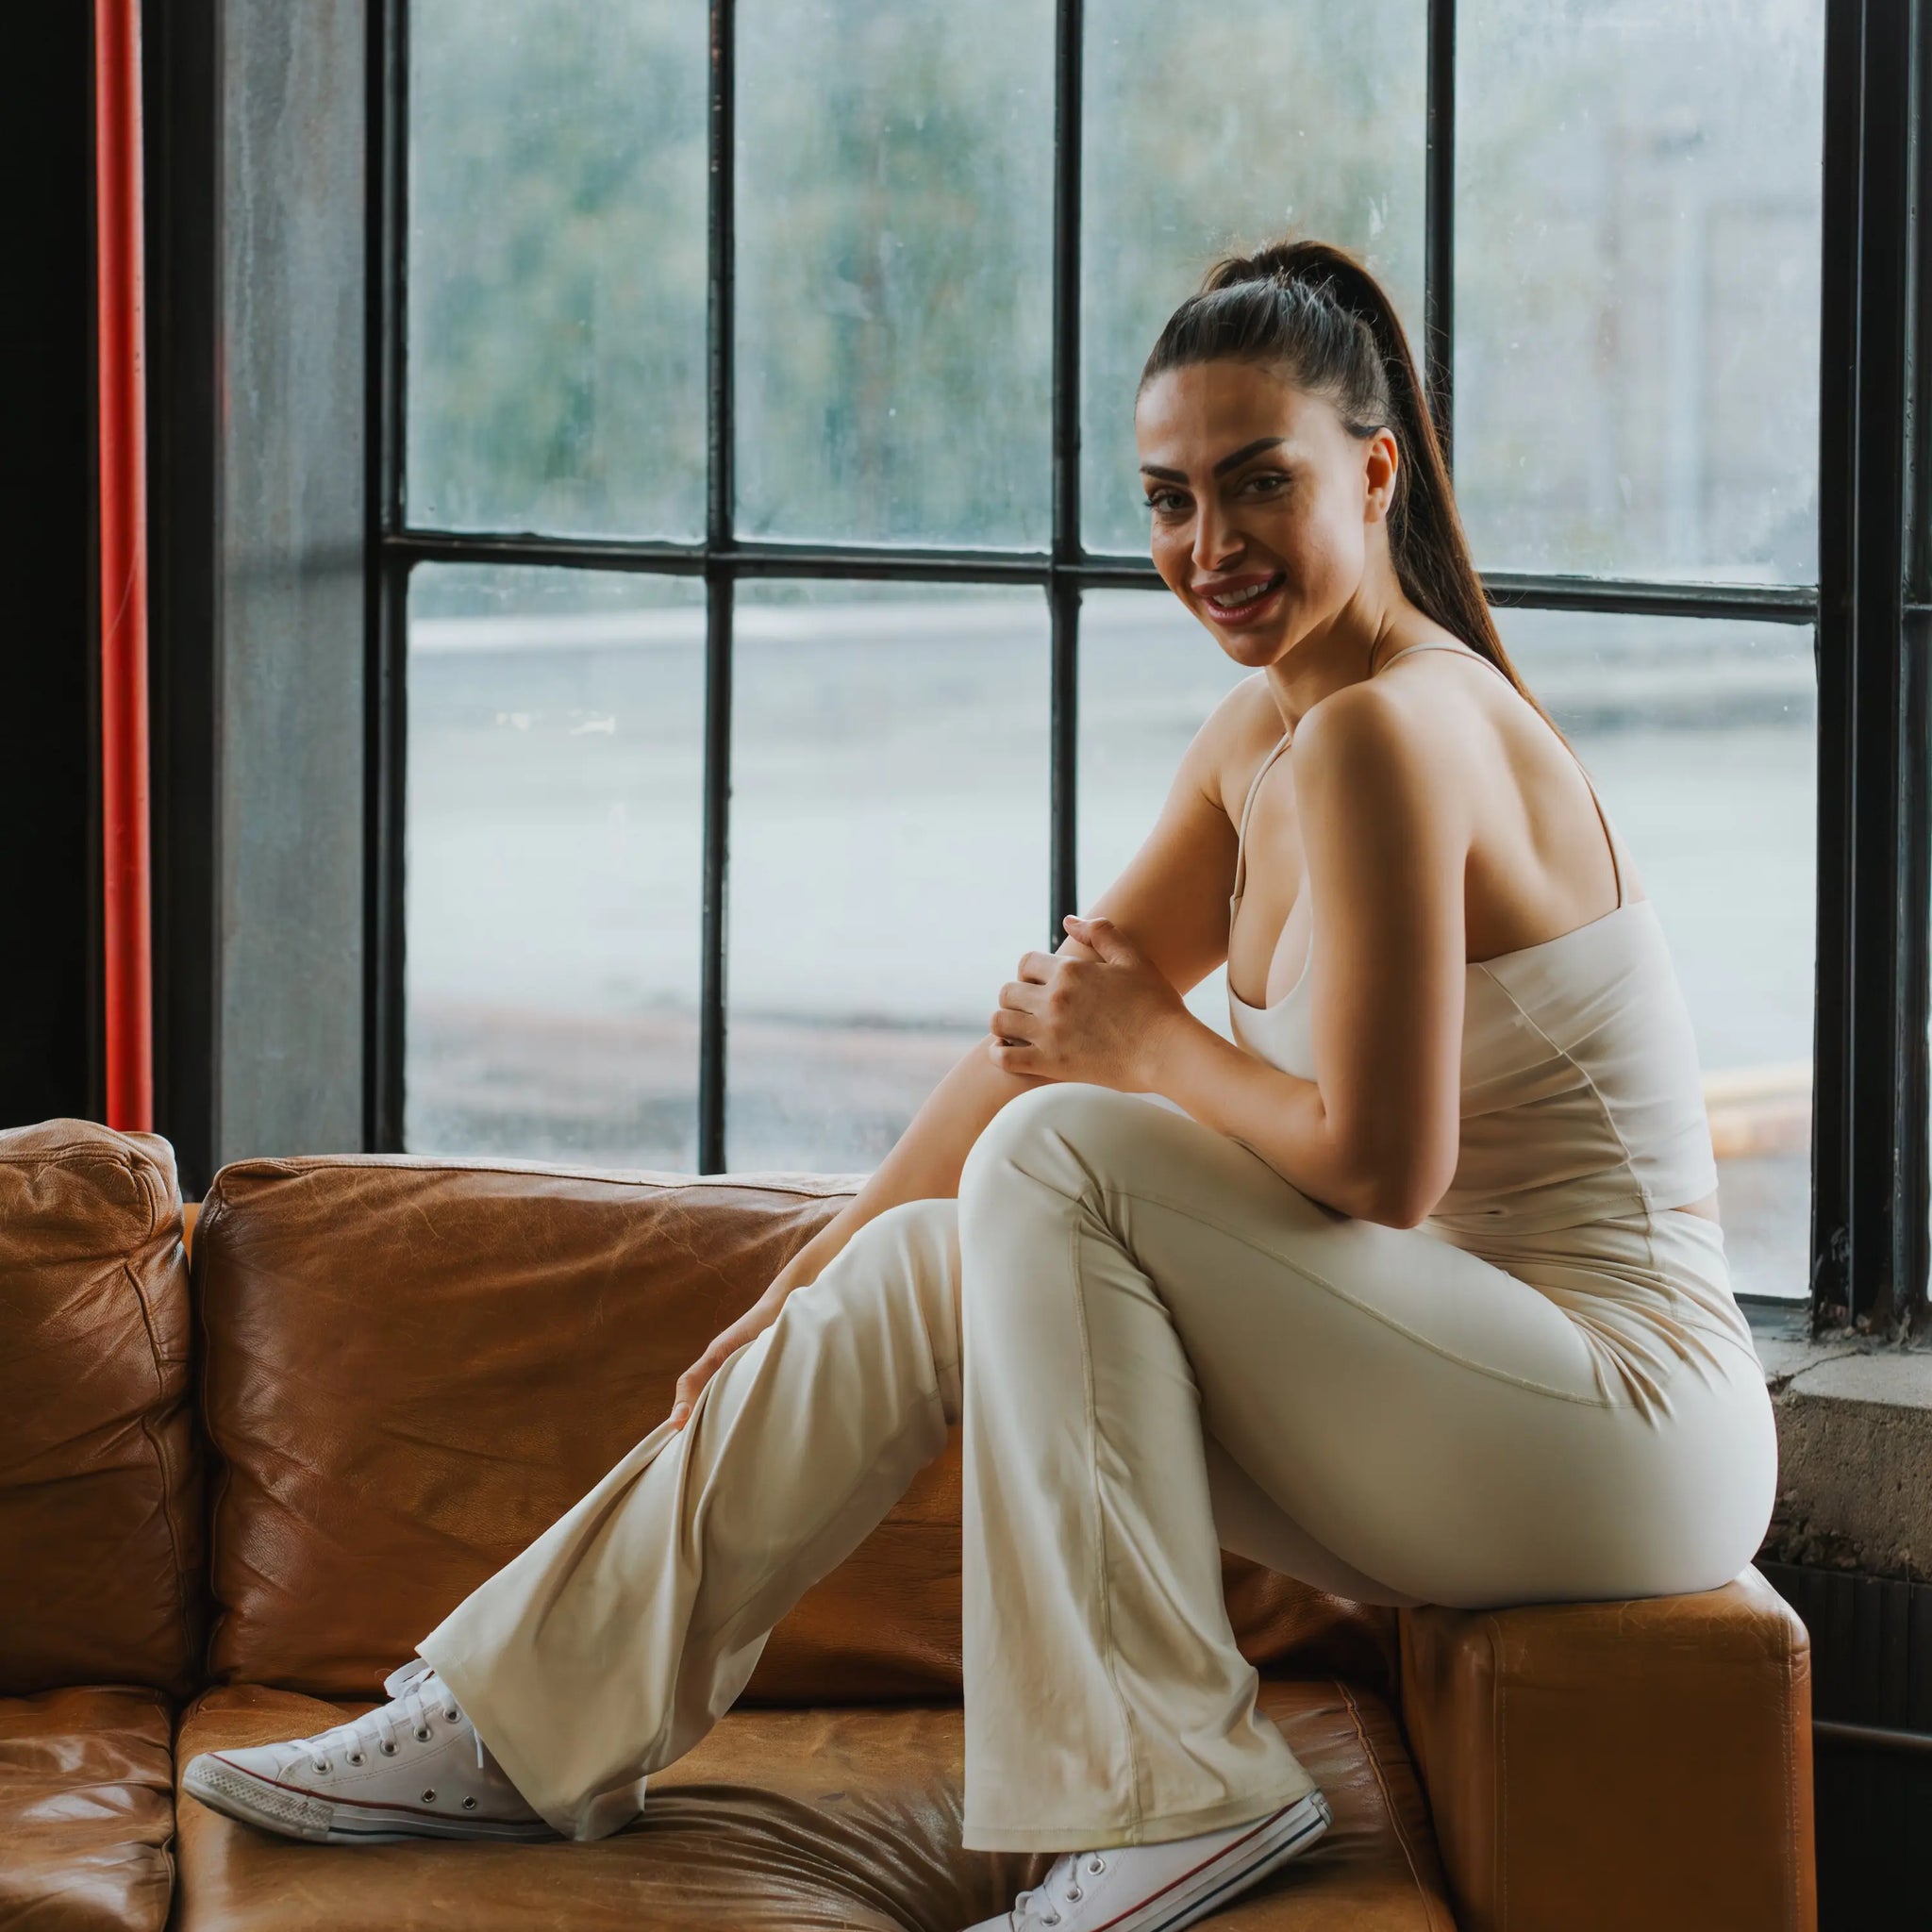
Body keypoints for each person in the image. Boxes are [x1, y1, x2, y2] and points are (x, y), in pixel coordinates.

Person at [181, 236, 1777, 1932]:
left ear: (1374, 472)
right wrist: (794, 1287)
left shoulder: (1403, 732)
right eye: (1168, 500)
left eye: (1258, 486)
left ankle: (1165, 1800)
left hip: (1620, 1429)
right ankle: (524, 1720)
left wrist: (1148, 1054)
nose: (1208, 548)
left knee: (1067, 1149)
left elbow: (1378, 1165)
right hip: (1447, 1394)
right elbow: (1033, 1036)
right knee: (955, 1231)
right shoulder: (1268, 741)